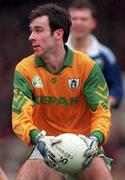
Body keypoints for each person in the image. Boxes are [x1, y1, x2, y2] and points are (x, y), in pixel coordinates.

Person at [12, 3, 113, 180]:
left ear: (58, 33)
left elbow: (101, 111)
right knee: (25, 176)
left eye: (38, 30)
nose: (31, 37)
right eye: (31, 30)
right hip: (46, 144)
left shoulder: (86, 66)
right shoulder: (25, 69)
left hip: (85, 144)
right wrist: (38, 139)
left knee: (102, 175)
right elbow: (20, 116)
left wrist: (95, 139)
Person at [66, 0, 123, 109]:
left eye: (83, 19)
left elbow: (117, 88)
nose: (78, 22)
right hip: (60, 119)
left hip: (94, 122)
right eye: (74, 18)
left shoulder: (105, 55)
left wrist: (105, 104)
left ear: (93, 23)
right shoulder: (55, 52)